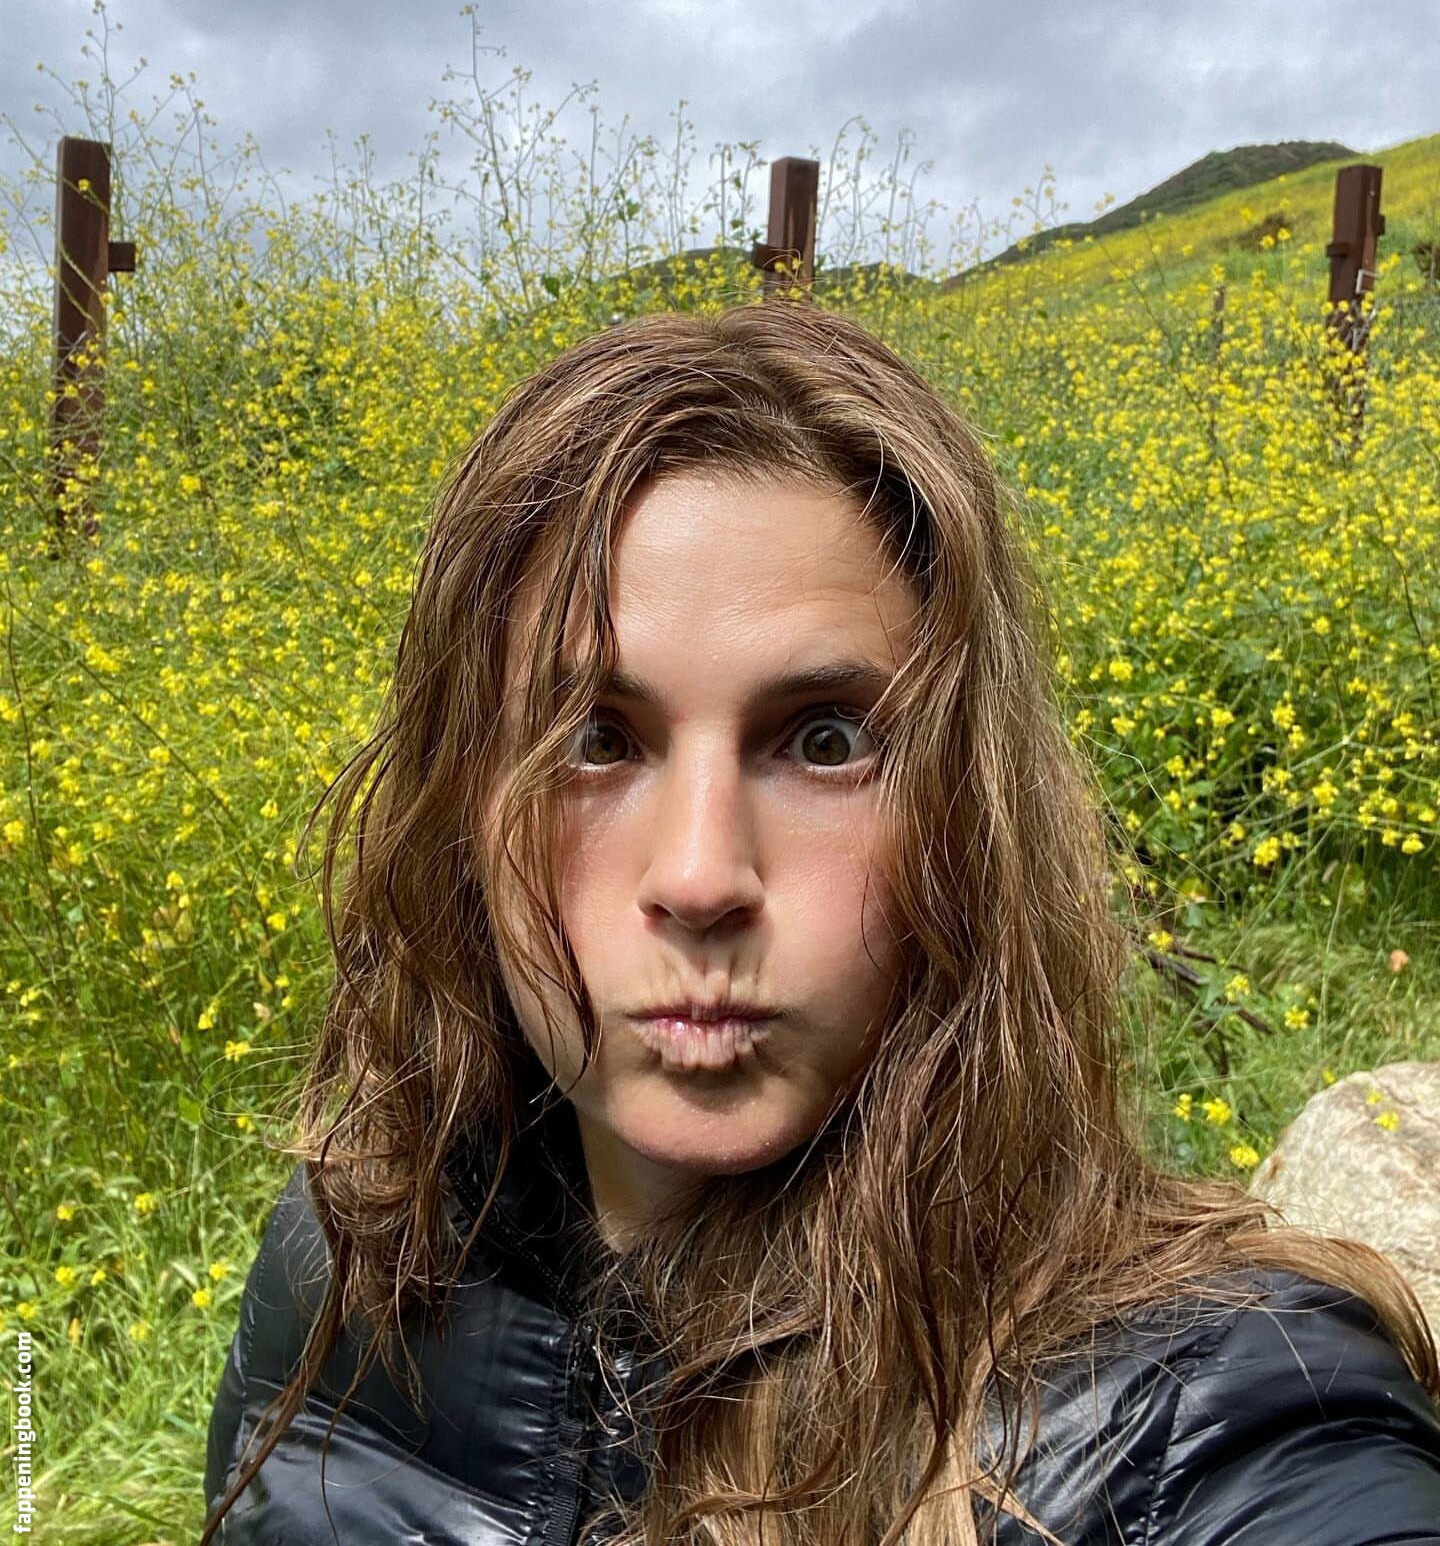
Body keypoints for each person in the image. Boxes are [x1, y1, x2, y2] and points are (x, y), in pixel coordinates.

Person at [202, 301, 1440, 1545]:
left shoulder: (1187, 1416)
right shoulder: (352, 1252)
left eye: (828, 742)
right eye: (594, 739)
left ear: (970, 815)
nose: (699, 878)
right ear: (458, 807)